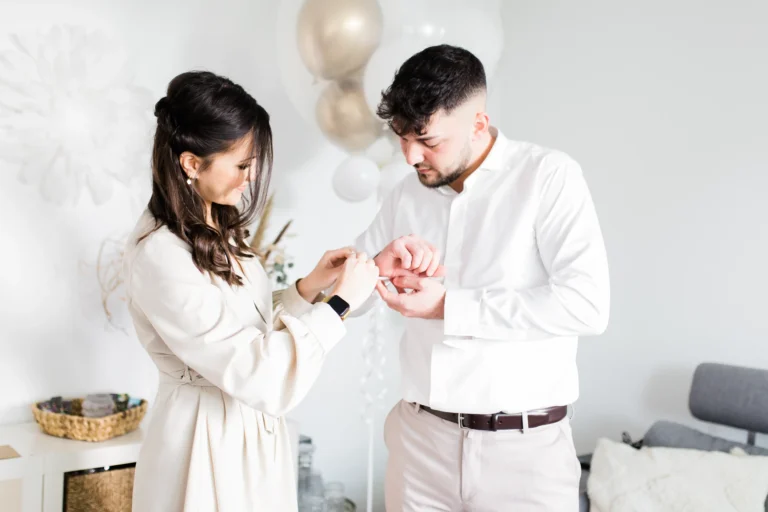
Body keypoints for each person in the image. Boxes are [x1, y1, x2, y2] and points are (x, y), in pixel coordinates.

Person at [357, 45, 611, 511]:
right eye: (401, 138)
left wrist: (448, 307)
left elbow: (586, 306)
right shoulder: (405, 195)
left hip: (525, 454)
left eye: (427, 140)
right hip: (419, 446)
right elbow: (351, 298)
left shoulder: (548, 177)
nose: (411, 156)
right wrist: (374, 267)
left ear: (478, 123)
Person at [122, 70, 383, 511]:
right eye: (242, 165)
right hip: (204, 440)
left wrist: (308, 288)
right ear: (191, 164)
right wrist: (338, 305)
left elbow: (242, 325)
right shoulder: (159, 255)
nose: (251, 177)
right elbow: (255, 370)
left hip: (248, 433)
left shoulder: (214, 225)